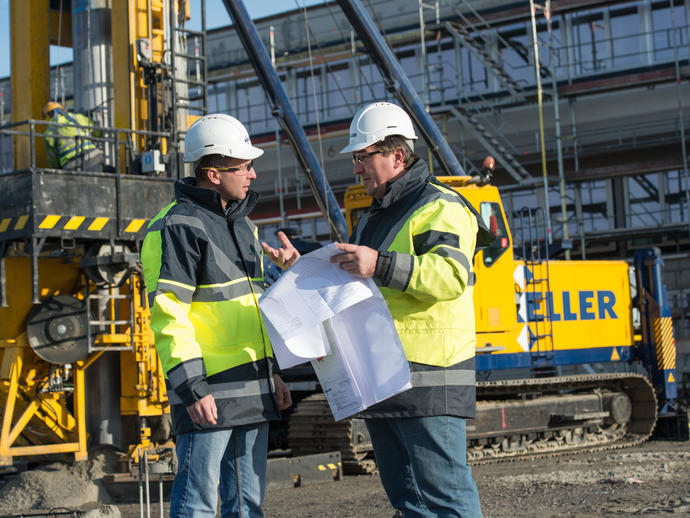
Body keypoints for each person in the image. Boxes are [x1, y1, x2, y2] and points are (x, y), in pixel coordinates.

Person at [266, 102, 493, 517]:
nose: (357, 168)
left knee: (446, 499)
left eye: (362, 157)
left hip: (428, 376)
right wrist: (302, 268)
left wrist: (380, 263)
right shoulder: (374, 219)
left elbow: (450, 276)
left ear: (397, 156)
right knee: (409, 502)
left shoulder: (441, 206)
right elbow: (353, 285)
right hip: (381, 376)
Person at [141, 113, 292, 518]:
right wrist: (192, 388)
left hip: (253, 388)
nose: (252, 174)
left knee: (247, 505)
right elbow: (169, 315)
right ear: (212, 173)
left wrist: (273, 371)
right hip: (209, 392)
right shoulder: (176, 226)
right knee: (198, 506)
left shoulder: (244, 227)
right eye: (243, 167)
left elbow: (253, 309)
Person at [42, 101, 104, 171]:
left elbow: (53, 162)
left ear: (47, 117)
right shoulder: (77, 117)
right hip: (94, 157)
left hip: (72, 166)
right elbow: (97, 131)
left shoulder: (48, 133)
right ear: (63, 110)